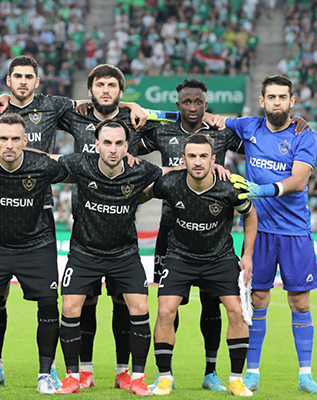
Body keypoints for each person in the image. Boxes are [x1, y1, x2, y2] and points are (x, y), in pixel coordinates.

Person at [55, 64, 178, 390]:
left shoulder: (137, 122)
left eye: (112, 85)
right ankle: (80, 372)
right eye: (100, 85)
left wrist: (213, 167)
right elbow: (39, 111)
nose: (106, 90)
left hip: (123, 240)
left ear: (127, 145)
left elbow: (180, 118)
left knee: (131, 305)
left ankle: (130, 373)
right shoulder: (76, 119)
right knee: (80, 305)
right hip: (84, 237)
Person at [220, 75, 317, 394]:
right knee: (257, 299)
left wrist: (261, 190)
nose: (277, 102)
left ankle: (305, 376)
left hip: (295, 231)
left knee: (300, 302)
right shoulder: (248, 127)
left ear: (292, 101)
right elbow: (208, 118)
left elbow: (298, 181)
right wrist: (150, 112)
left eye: (283, 97)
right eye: (272, 97)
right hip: (259, 231)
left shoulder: (304, 135)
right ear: (262, 101)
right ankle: (251, 373)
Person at [139, 78, 244, 392]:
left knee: (212, 306)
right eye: (187, 102)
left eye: (199, 102)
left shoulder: (221, 133)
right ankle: (166, 373)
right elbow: (127, 146)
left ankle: (211, 372)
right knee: (169, 305)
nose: (193, 107)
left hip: (213, 234)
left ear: (206, 104)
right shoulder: (161, 131)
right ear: (178, 105)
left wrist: (294, 124)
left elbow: (259, 138)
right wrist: (131, 107)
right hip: (171, 231)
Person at [0, 114, 67, 394]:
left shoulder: (42, 165)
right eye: (3, 138)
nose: (9, 145)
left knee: (48, 305)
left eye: (15, 139)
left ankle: (45, 375)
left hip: (37, 246)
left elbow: (81, 166)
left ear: (25, 141)